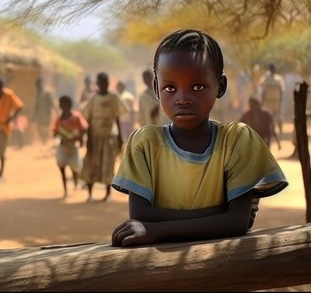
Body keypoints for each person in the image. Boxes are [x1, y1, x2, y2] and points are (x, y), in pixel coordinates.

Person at [110, 29, 288, 247]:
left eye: (197, 87)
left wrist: (157, 229)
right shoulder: (145, 143)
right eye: (170, 88)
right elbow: (141, 215)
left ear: (220, 86)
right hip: (160, 276)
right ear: (157, 88)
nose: (182, 99)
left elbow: (236, 223)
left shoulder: (237, 141)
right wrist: (222, 212)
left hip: (224, 270)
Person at [81, 72, 127, 202]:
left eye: (104, 82)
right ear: (97, 84)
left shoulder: (114, 98)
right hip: (95, 136)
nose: (102, 85)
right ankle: (90, 194)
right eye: (100, 82)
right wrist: (88, 139)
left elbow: (117, 117)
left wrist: (120, 138)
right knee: (91, 163)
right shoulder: (93, 99)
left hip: (109, 137)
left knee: (108, 164)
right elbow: (88, 120)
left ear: (107, 83)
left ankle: (107, 194)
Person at [52, 96, 88, 199]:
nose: (60, 106)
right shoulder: (59, 119)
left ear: (67, 105)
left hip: (73, 146)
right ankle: (65, 190)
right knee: (61, 166)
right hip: (62, 146)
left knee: (75, 166)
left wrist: (80, 139)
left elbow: (84, 128)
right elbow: (55, 132)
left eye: (62, 104)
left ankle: (76, 183)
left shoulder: (76, 117)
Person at [259, 63, 286, 137]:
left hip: (276, 101)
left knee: (278, 116)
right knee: (269, 117)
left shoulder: (279, 79)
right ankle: (271, 131)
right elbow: (263, 91)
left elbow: (281, 91)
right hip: (268, 101)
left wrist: (280, 101)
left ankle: (280, 132)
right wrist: (262, 102)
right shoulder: (265, 79)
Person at [31, 77, 56, 147]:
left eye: (39, 85)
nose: (38, 86)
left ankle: (47, 141)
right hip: (39, 114)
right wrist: (34, 116)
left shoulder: (47, 93)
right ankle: (44, 140)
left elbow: (51, 103)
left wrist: (56, 111)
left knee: (45, 128)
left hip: (46, 114)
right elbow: (37, 105)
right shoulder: (37, 94)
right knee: (39, 128)